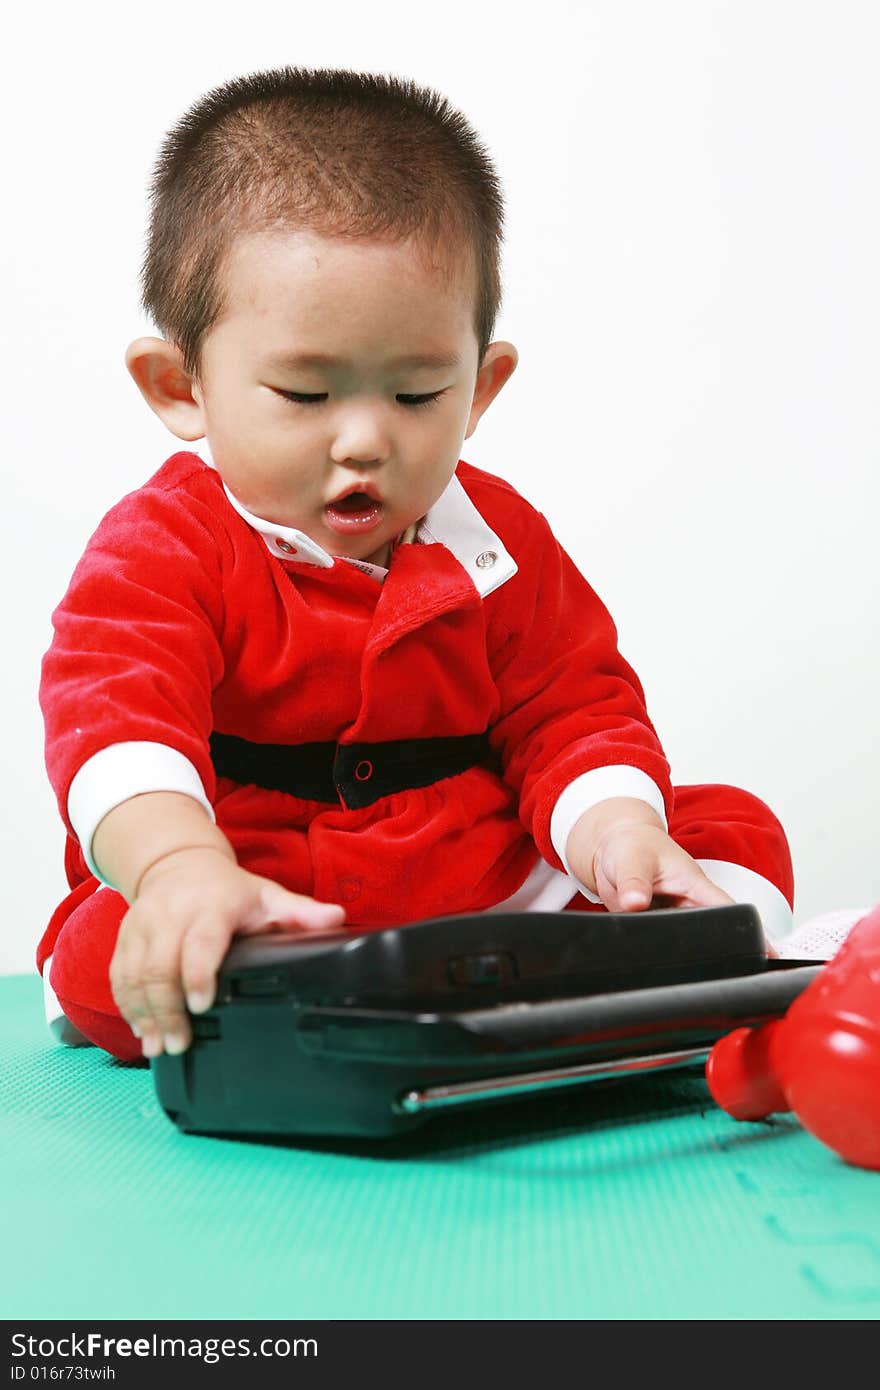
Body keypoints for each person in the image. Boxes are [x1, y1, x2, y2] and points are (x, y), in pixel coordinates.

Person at [38, 66, 794, 1065]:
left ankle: (634, 946)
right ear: (181, 386)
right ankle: (304, 976)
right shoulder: (165, 544)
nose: (364, 442)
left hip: (478, 877)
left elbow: (569, 706)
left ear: (480, 386)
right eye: (305, 396)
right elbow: (115, 721)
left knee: (727, 829)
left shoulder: (499, 538)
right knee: (112, 955)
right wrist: (178, 865)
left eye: (416, 393)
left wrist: (615, 828)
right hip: (265, 880)